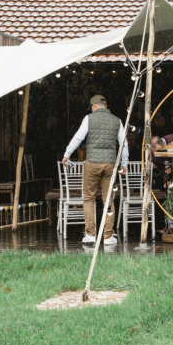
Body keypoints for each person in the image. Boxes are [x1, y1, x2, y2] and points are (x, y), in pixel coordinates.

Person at [63, 95, 128, 245]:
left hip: (92, 163)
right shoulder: (117, 120)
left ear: (94, 105)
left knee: (89, 198)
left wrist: (67, 154)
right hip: (110, 164)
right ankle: (108, 236)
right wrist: (124, 163)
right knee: (108, 200)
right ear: (106, 106)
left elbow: (78, 137)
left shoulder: (88, 118)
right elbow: (123, 143)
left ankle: (91, 234)